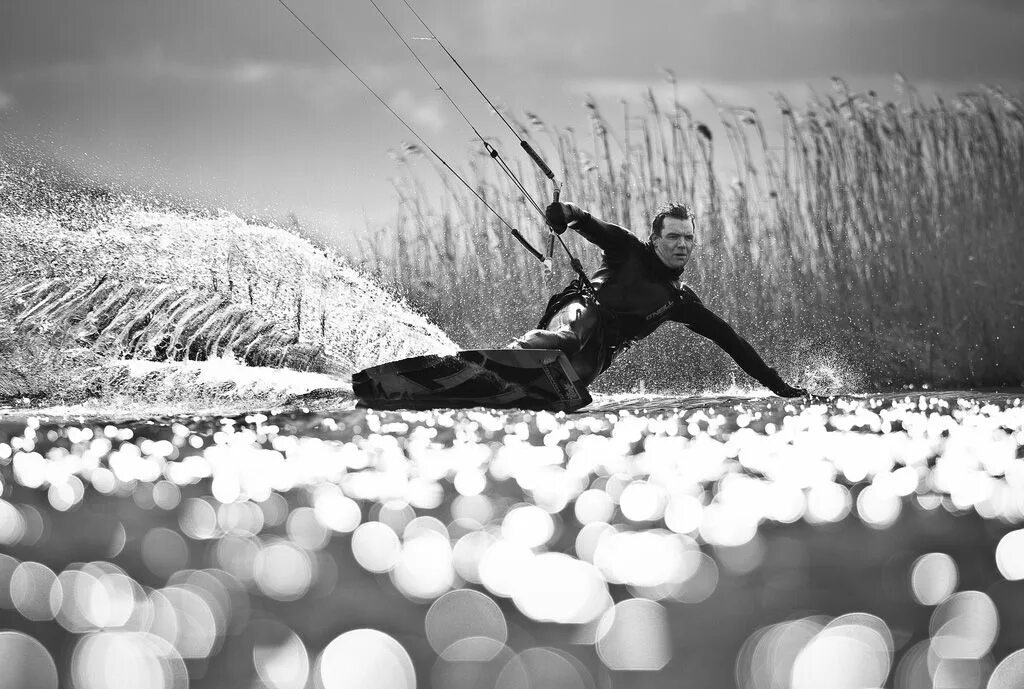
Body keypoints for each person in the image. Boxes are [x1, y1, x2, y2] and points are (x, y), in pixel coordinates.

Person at [511, 200, 808, 397]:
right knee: (571, 339)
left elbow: (732, 341)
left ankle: (519, 389)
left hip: (603, 348)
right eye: (673, 237)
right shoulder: (626, 248)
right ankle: (502, 359)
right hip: (579, 311)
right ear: (655, 239)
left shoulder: (680, 300)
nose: (682, 244)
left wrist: (779, 386)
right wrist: (565, 213)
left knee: (576, 377)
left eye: (688, 238)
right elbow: (586, 221)